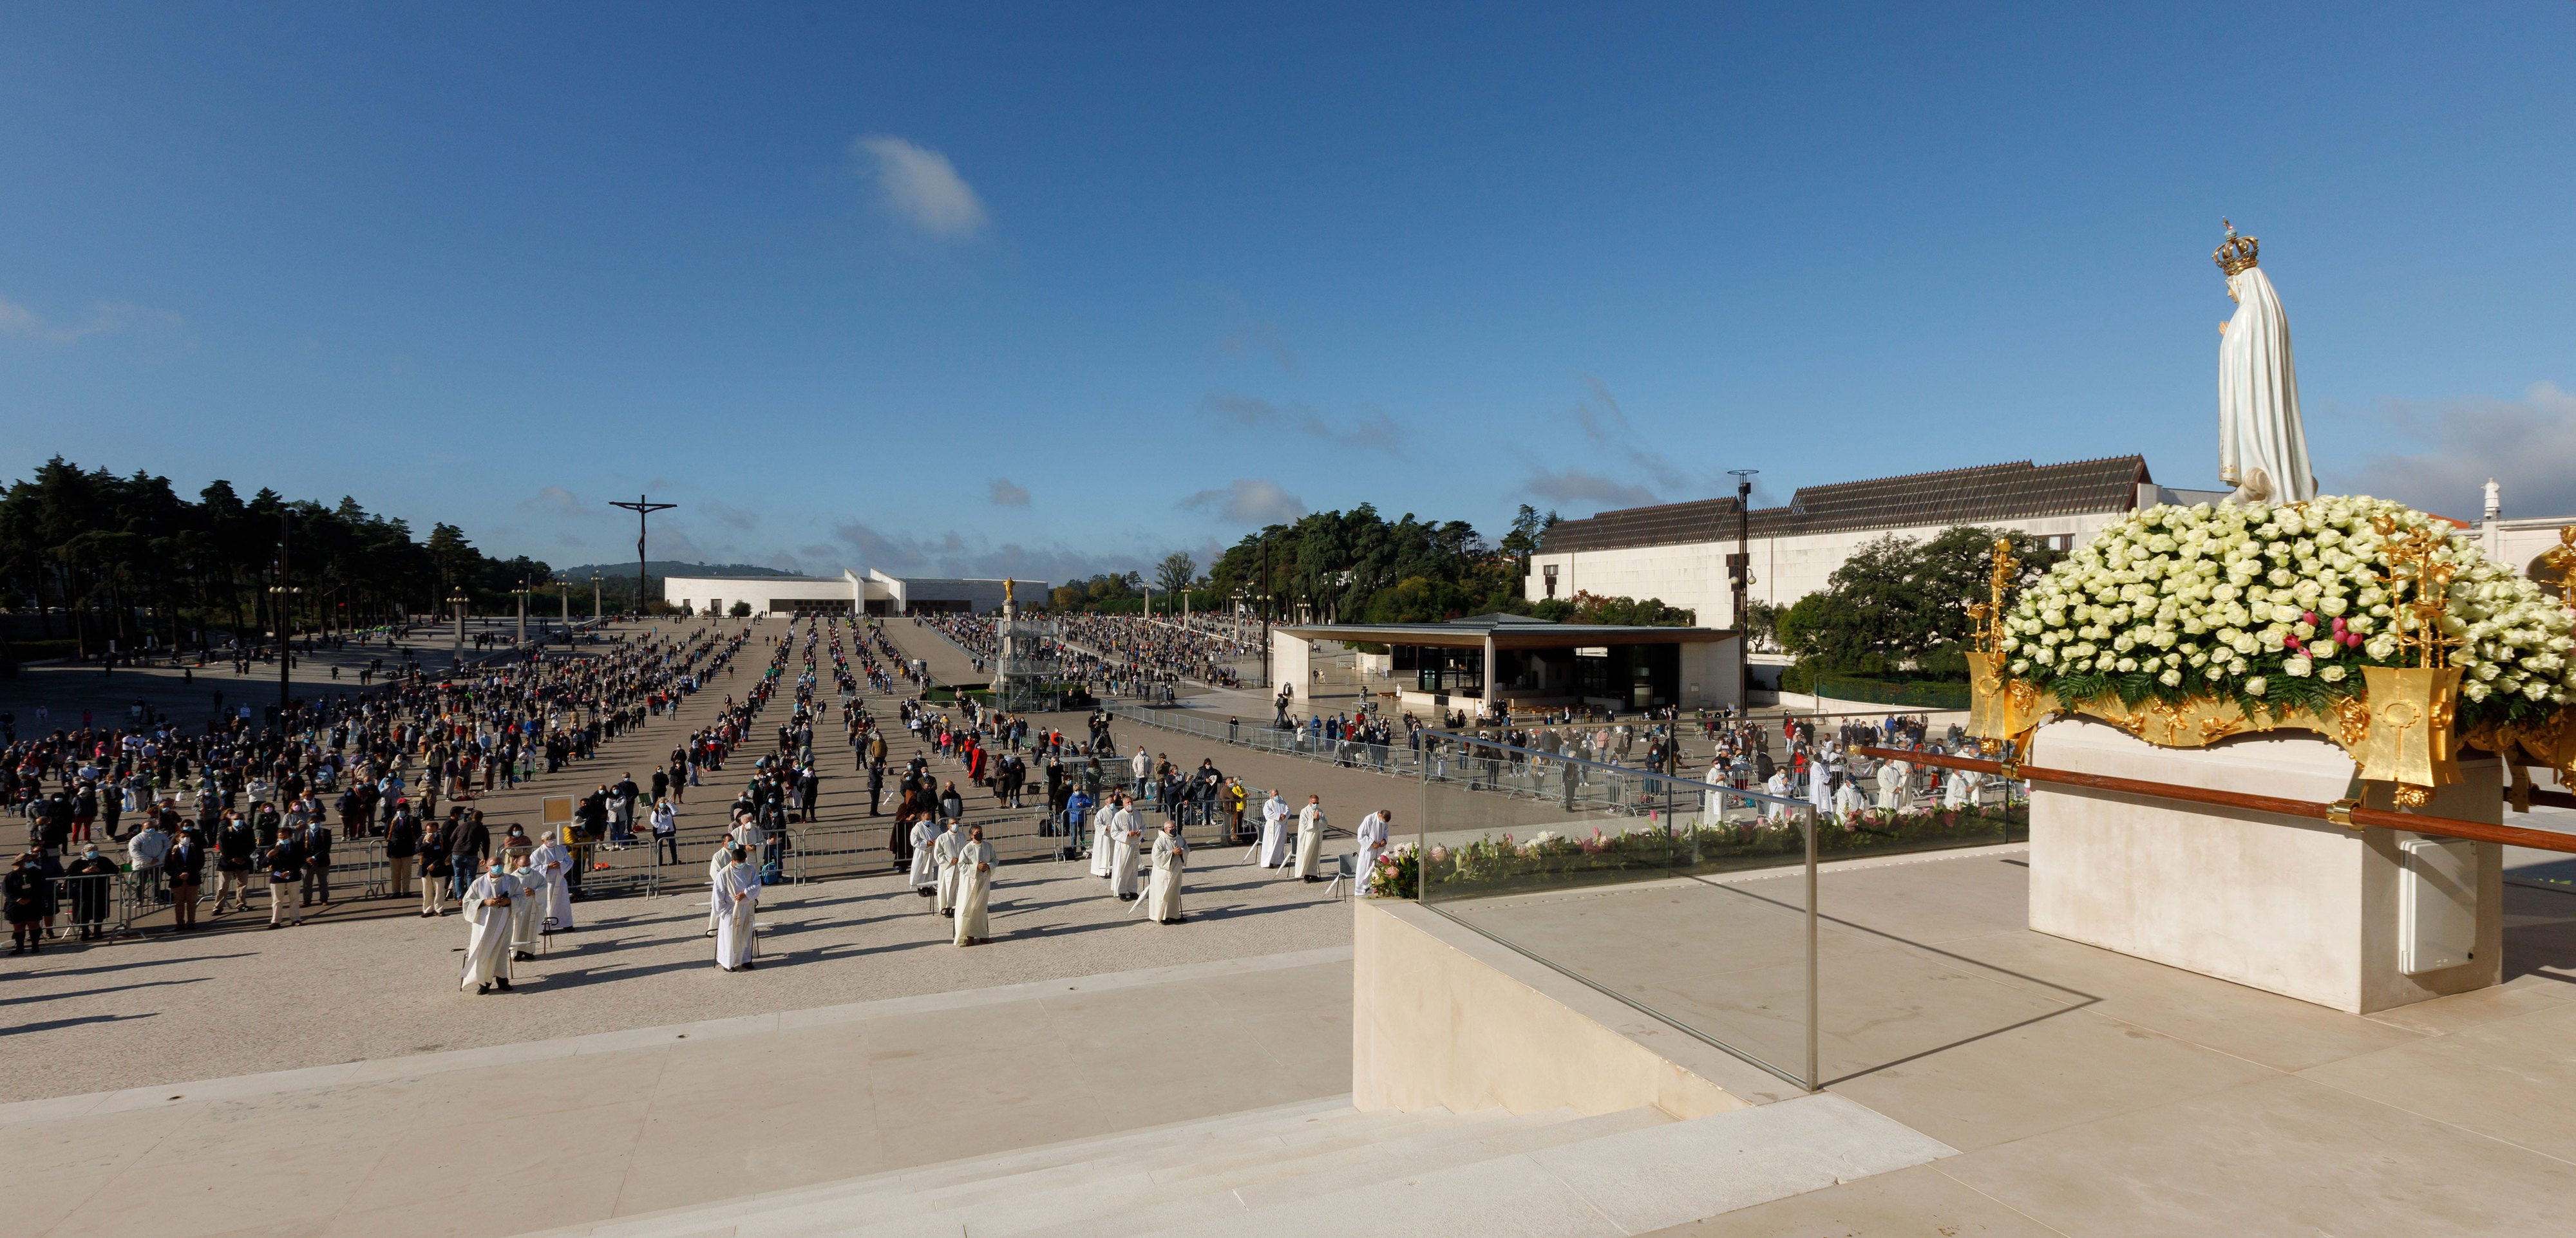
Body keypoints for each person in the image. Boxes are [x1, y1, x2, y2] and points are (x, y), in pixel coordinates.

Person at [459, 855, 518, 994]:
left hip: (504, 922)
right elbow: (467, 902)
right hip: (484, 925)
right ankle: (484, 983)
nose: (497, 867)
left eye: (499, 864)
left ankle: (502, 980)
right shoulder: (478, 883)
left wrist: (509, 902)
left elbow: (521, 897)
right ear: (487, 868)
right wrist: (485, 902)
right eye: (494, 865)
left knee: (502, 952)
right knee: (484, 953)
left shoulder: (512, 881)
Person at [714, 845, 760, 971]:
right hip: (730, 909)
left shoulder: (749, 869)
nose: (742, 864)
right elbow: (718, 894)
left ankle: (745, 960)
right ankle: (728, 962)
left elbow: (757, 883)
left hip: (746, 907)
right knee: (730, 937)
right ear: (732, 861)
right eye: (739, 862)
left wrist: (745, 893)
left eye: (743, 862)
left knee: (745, 934)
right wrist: (723, 910)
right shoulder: (724, 873)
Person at [952, 823, 997, 946]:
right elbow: (962, 865)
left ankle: (983, 935)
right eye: (977, 833)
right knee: (970, 908)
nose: (979, 834)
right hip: (971, 883)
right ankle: (970, 936)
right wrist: (976, 867)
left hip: (984, 881)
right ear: (971, 836)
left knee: (981, 908)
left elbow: (995, 860)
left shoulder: (988, 846)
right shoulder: (967, 849)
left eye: (981, 832)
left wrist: (988, 866)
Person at [5, 852, 54, 953]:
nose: (30, 862)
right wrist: (17, 899)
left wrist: (30, 898)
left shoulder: (37, 873)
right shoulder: (11, 876)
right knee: (19, 926)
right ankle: (20, 948)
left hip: (33, 903)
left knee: (34, 925)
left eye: (31, 860)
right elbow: (7, 890)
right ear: (21, 863)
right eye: (27, 861)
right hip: (16, 905)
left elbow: (42, 888)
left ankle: (35, 947)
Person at [527, 829, 575, 933]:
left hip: (560, 881)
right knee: (547, 904)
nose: (552, 841)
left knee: (563, 904)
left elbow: (569, 861)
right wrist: (547, 867)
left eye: (554, 838)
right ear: (543, 841)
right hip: (547, 883)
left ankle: (566, 924)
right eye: (549, 839)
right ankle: (547, 927)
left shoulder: (561, 849)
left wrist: (561, 865)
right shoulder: (537, 853)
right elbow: (533, 868)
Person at [66, 845, 116, 939]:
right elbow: (68, 876)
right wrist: (83, 872)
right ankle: (85, 932)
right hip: (83, 892)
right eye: (89, 851)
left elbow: (115, 870)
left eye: (95, 850)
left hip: (100, 890)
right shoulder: (77, 863)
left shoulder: (104, 860)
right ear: (84, 852)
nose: (92, 852)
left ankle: (98, 932)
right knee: (84, 912)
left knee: (99, 911)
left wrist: (100, 871)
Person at [163, 826, 204, 932]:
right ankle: (180, 923)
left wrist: (189, 873)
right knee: (179, 903)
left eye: (187, 836)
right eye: (183, 837)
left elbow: (200, 863)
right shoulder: (171, 851)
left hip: (192, 878)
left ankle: (191, 922)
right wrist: (178, 875)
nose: (186, 838)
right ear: (178, 838)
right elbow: (168, 867)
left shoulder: (196, 849)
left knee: (192, 902)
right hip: (177, 880)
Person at [1148, 820, 1187, 924]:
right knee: (1163, 894)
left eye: (1174, 827)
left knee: (1174, 893)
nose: (1173, 829)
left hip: (1176, 871)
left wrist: (1182, 851)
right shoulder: (1160, 841)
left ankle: (1174, 915)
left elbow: (1186, 848)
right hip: (1163, 872)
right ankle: (1163, 917)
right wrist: (1172, 853)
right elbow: (1156, 857)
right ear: (1165, 829)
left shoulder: (1179, 838)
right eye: (1171, 827)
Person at [1109, 796, 1144, 901]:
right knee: (1123, 869)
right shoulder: (1119, 816)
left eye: (1131, 802)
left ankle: (1133, 890)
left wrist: (1140, 833)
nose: (1130, 804)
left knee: (1134, 869)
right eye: (1128, 803)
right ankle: (1122, 891)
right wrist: (1127, 834)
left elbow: (1143, 827)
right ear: (1124, 805)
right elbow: (1114, 833)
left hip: (1134, 846)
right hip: (1124, 846)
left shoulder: (1138, 814)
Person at [933, 819, 968, 917]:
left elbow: (965, 851)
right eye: (953, 824)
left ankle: (957, 907)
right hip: (948, 868)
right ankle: (947, 908)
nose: (955, 825)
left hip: (959, 867)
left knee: (959, 888)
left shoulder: (962, 836)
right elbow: (938, 854)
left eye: (956, 823)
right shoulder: (942, 838)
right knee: (946, 888)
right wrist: (950, 860)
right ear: (948, 826)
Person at [1353, 808, 1390, 893]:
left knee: (1376, 872)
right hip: (1368, 852)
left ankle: (1375, 890)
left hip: (1378, 851)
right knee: (1364, 872)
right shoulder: (1369, 819)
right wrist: (1372, 843)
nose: (1383, 823)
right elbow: (1361, 835)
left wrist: (1385, 840)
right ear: (1380, 815)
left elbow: (1386, 833)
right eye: (1383, 821)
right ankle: (1361, 892)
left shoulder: (1385, 822)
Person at [1293, 795, 1326, 882]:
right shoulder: (1304, 811)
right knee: (1307, 855)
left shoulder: (1320, 811)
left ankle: (1314, 874)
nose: (1316, 805)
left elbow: (1325, 824)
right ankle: (1306, 875)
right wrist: (1313, 819)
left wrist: (1319, 819)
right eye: (1314, 803)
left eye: (1317, 803)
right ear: (1310, 802)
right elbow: (1303, 825)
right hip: (1308, 837)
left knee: (1315, 856)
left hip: (1317, 836)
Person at [907, 816, 940, 899]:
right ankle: (920, 888)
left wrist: (937, 841)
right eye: (927, 819)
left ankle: (929, 887)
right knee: (920, 870)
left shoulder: (935, 827)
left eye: (930, 819)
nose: (928, 820)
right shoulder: (917, 828)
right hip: (922, 853)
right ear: (922, 818)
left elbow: (941, 835)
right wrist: (926, 843)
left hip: (932, 851)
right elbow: (914, 841)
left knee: (930, 871)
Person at [1258, 791, 1291, 868]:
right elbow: (1268, 813)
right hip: (1273, 826)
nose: (1277, 796)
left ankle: (1279, 860)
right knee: (1271, 844)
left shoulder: (1283, 802)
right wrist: (1279, 816)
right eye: (1275, 795)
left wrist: (1285, 815)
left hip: (1281, 826)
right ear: (1271, 796)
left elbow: (1288, 810)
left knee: (1280, 844)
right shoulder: (1268, 803)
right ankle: (1269, 861)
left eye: (1278, 794)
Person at [649, 798, 679, 866]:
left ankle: (675, 860)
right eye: (661, 802)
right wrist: (665, 827)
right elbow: (653, 822)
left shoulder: (669, 810)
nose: (662, 804)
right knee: (659, 848)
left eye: (664, 803)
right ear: (658, 803)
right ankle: (659, 862)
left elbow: (676, 811)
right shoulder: (656, 812)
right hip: (659, 832)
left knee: (673, 847)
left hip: (670, 832)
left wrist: (669, 803)